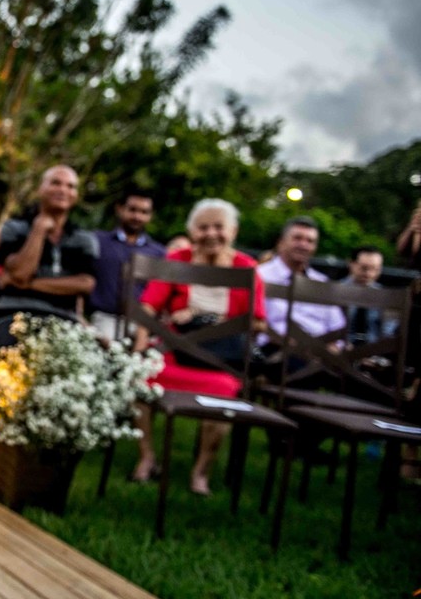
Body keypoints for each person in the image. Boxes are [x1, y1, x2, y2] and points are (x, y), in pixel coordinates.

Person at [131, 198, 266, 495]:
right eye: (203, 227)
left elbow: (258, 322)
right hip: (175, 352)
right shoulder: (178, 260)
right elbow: (148, 307)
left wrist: (210, 318)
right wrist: (139, 350)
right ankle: (147, 458)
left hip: (220, 359)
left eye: (219, 227)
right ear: (192, 231)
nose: (211, 233)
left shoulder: (247, 268)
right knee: (141, 378)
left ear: (233, 231)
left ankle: (201, 470)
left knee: (225, 394)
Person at [0, 165, 98, 345]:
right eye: (56, 183)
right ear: (40, 189)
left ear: (76, 195)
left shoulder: (84, 239)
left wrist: (28, 284)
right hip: (16, 316)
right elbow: (20, 273)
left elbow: (85, 284)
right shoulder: (14, 228)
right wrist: (39, 230)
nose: (63, 190)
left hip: (65, 320)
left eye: (70, 186)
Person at [89, 187, 165, 340]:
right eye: (132, 210)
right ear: (120, 209)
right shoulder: (98, 241)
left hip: (142, 324)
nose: (137, 216)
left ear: (150, 216)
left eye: (144, 212)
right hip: (105, 319)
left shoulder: (159, 252)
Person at [257, 216, 345, 347]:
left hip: (318, 357)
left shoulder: (322, 283)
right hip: (272, 351)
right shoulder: (260, 275)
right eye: (297, 238)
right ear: (281, 243)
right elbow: (254, 326)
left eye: (310, 241)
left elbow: (338, 330)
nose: (304, 245)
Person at [342, 246, 395, 347]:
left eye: (375, 269)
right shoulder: (334, 291)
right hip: (341, 349)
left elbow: (388, 331)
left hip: (373, 351)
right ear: (351, 264)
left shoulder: (384, 296)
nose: (369, 274)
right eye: (364, 268)